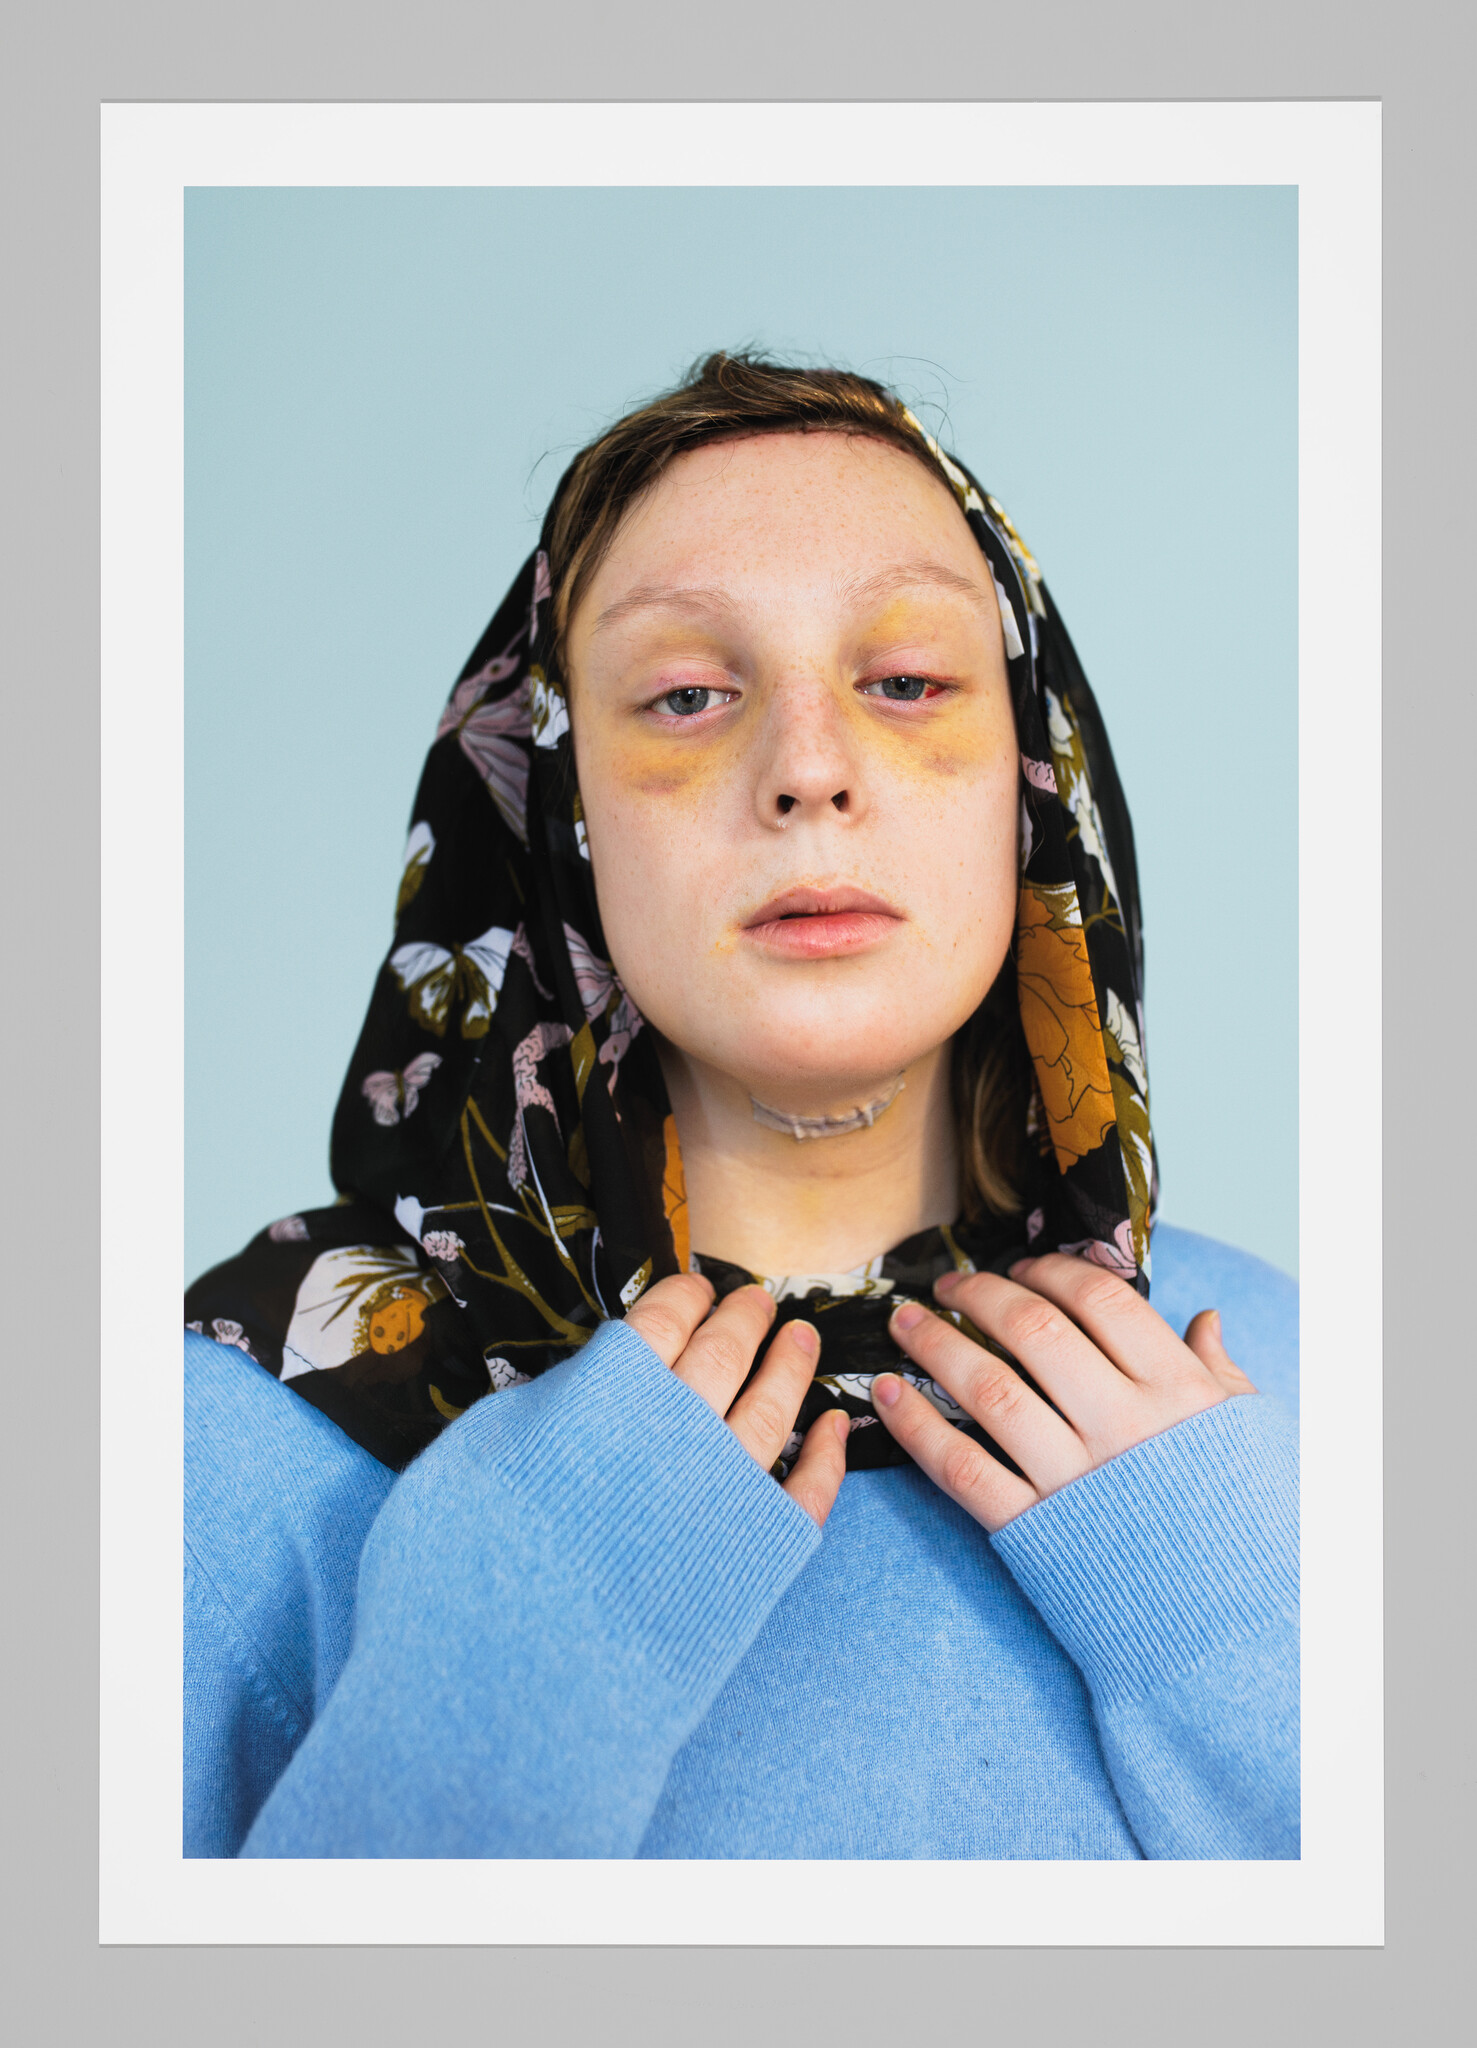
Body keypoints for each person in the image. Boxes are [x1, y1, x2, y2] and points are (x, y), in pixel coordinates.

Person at [183, 353, 1299, 1861]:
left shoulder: (1290, 1391)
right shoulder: (234, 1441)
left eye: (905, 683)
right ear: (553, 809)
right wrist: (511, 1654)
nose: (809, 769)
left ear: (1031, 786)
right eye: (689, 694)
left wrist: (1243, 1631)